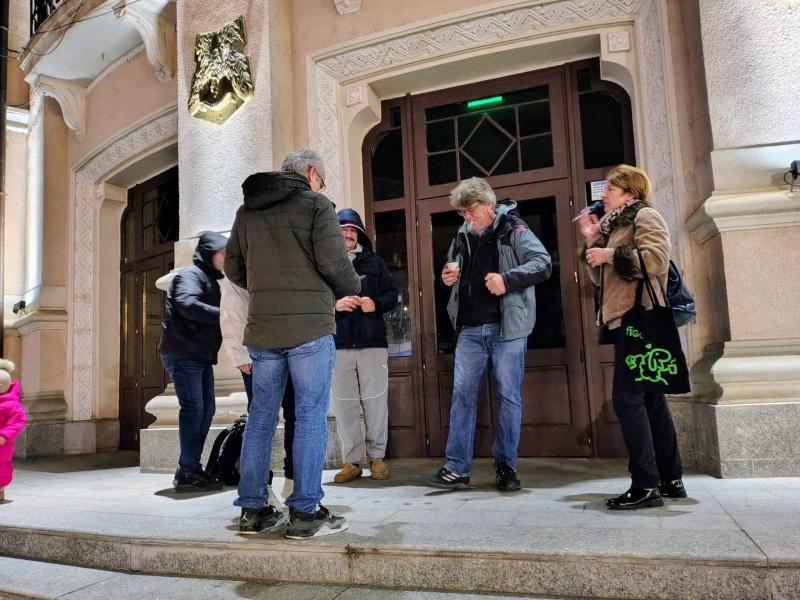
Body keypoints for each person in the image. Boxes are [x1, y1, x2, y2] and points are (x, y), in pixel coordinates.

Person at [225, 149, 361, 538]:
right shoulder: (315, 204)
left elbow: (232, 266)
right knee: (310, 415)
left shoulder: (246, 210)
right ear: (313, 174)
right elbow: (335, 263)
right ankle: (304, 512)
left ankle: (253, 511)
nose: (322, 185)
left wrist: (267, 287)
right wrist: (352, 287)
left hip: (264, 331)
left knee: (262, 417)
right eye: (323, 179)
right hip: (309, 329)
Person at [426, 177, 551, 492]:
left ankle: (506, 467)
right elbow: (452, 274)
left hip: (507, 329)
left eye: (470, 211)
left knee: (508, 397)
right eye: (462, 213)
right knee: (462, 397)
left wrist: (507, 280)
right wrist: (446, 278)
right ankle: (457, 469)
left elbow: (543, 263)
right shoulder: (461, 236)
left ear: (488, 205)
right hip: (469, 330)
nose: (466, 217)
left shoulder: (514, 230)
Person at [576, 164, 686, 510]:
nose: (603, 194)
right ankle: (670, 479)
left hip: (639, 319)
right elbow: (602, 281)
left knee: (627, 398)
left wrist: (609, 253)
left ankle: (645, 485)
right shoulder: (614, 226)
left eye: (610, 188)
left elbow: (655, 261)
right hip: (622, 319)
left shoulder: (645, 217)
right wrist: (594, 242)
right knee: (651, 399)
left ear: (630, 193)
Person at [331, 208, 399, 483]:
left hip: (372, 342)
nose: (348, 234)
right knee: (344, 405)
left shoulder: (375, 262)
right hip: (337, 343)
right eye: (343, 229)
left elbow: (393, 294)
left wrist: (376, 303)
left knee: (375, 403)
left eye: (352, 230)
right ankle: (351, 462)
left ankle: (377, 459)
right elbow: (314, 299)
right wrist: (334, 305)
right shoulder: (325, 262)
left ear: (358, 233)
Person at [219, 277, 296, 506]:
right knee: (261, 420)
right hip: (257, 353)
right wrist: (240, 354)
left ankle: (293, 479)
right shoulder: (246, 254)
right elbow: (232, 307)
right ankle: (261, 489)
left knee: (297, 415)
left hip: (293, 348)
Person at [160, 230, 227, 493]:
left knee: (206, 410)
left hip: (198, 356)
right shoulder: (190, 275)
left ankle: (189, 468)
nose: (227, 259)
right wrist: (226, 316)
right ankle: (188, 471)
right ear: (211, 253)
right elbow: (187, 304)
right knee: (194, 410)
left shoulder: (209, 279)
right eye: (224, 253)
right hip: (183, 353)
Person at [0, 360, 25, 502]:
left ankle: (0, 488)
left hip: (2, 442)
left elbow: (17, 420)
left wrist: (5, 434)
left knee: (1, 464)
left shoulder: (11, 404)